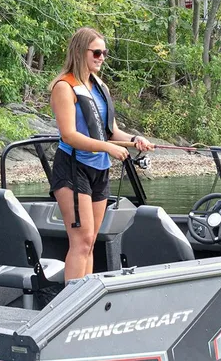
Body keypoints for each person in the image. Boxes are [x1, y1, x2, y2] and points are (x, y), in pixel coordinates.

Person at [48, 27, 154, 282]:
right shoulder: (64, 87)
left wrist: (133, 139)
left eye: (104, 52)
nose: (102, 57)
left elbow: (111, 131)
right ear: (80, 51)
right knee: (81, 241)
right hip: (73, 168)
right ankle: (69, 307)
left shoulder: (99, 86)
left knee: (91, 241)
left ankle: (84, 300)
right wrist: (108, 147)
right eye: (96, 52)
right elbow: (69, 136)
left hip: (99, 170)